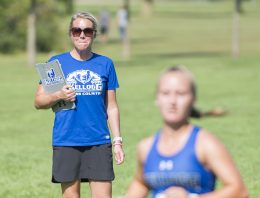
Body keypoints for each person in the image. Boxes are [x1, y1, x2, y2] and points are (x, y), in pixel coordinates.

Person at [34, 12, 124, 198]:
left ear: (94, 34)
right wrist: (58, 94)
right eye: (77, 30)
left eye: (87, 31)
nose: (82, 35)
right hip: (66, 140)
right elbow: (39, 102)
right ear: (71, 33)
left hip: (99, 141)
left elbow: (112, 107)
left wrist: (117, 142)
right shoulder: (55, 64)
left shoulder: (105, 64)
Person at [125, 66, 248, 198]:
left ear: (193, 99)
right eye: (165, 93)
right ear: (157, 99)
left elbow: (239, 191)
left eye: (181, 94)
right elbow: (141, 182)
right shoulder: (146, 148)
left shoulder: (205, 144)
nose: (172, 101)